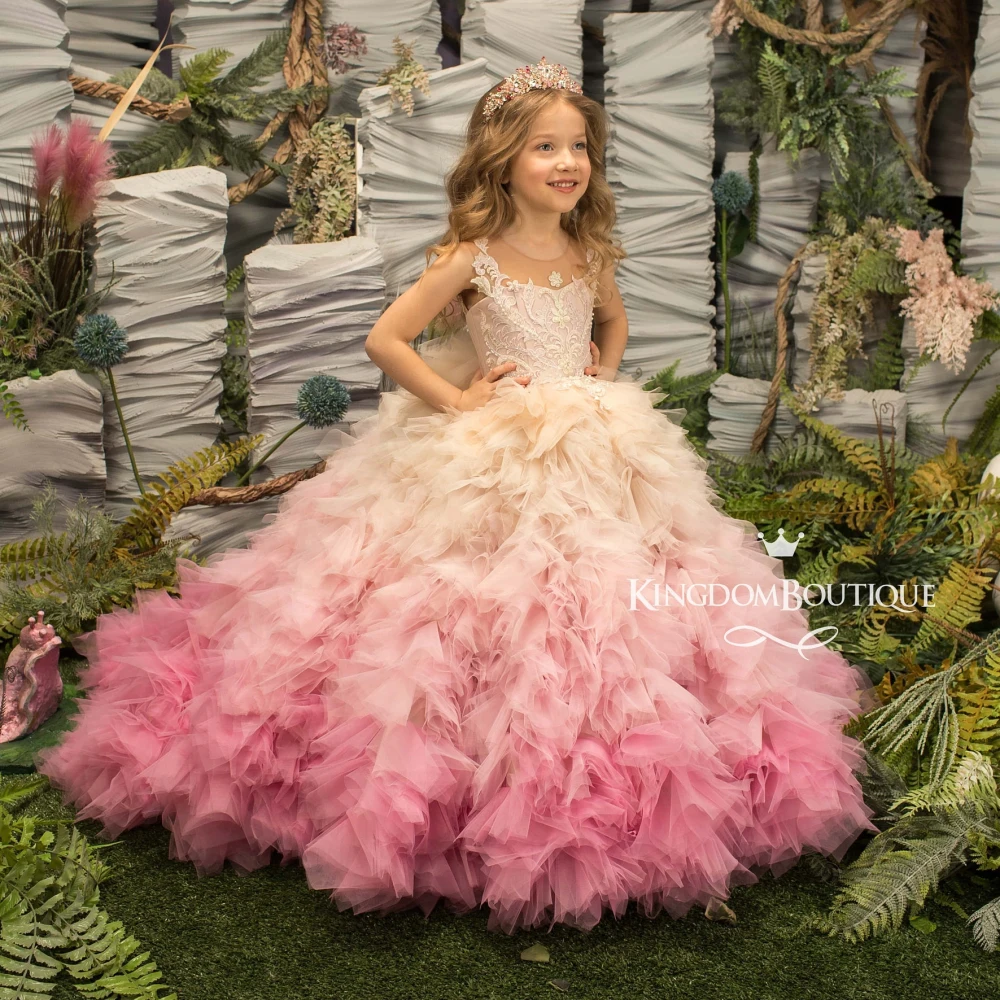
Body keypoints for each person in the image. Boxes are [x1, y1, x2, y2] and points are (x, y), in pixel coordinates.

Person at [37, 58, 879, 935]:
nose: (567, 162)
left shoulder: (587, 250)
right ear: (504, 160)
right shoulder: (473, 256)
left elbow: (613, 320)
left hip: (592, 442)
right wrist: (464, 399)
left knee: (611, 602)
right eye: (546, 146)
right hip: (493, 447)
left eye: (579, 146)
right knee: (464, 606)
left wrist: (599, 376)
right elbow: (387, 338)